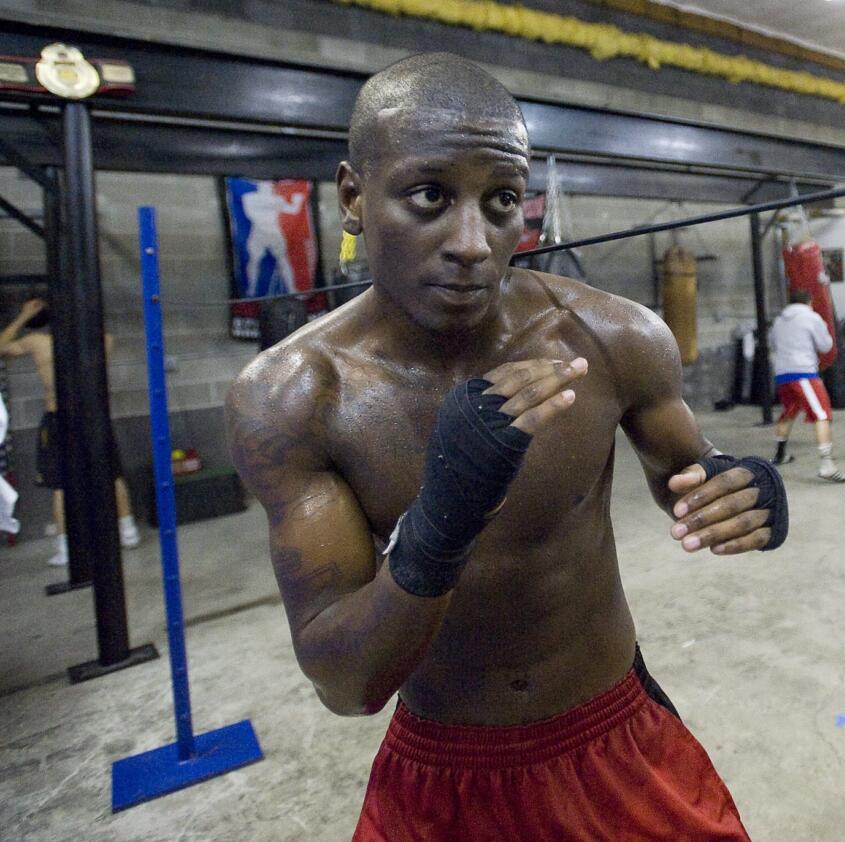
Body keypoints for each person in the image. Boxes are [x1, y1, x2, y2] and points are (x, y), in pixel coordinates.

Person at [226, 53, 789, 842]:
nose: (472, 242)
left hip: (616, 735)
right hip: (443, 769)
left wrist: (741, 489)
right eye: (429, 195)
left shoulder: (611, 336)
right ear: (354, 196)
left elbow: (686, 476)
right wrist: (442, 519)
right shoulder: (296, 397)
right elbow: (346, 684)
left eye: (501, 201)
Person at [0, 298, 140, 565]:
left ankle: (67, 549)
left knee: (62, 485)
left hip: (60, 418)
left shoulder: (39, 343)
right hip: (93, 416)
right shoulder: (103, 340)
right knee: (111, 474)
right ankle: (128, 531)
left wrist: (22, 317)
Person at [768, 288, 845, 482]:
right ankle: (827, 465)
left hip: (782, 374)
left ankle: (780, 454)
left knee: (788, 412)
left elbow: (773, 344)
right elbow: (826, 346)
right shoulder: (812, 317)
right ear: (809, 301)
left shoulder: (779, 321)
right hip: (803, 373)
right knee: (822, 414)